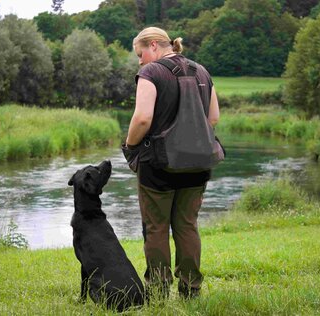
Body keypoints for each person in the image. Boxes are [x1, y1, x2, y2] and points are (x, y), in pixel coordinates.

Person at [125, 27, 220, 298]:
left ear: (153, 46)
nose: (140, 60)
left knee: (156, 227)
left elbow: (142, 118)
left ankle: (158, 292)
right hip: (198, 164)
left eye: (140, 54)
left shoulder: (151, 73)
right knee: (187, 225)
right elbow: (212, 118)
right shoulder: (202, 71)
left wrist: (130, 146)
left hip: (158, 165)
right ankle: (191, 289)